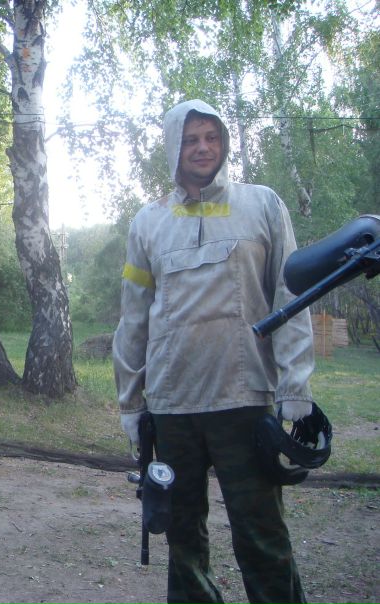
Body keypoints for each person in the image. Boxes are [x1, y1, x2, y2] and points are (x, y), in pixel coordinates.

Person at [112, 99, 315, 604]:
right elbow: (134, 317)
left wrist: (295, 386)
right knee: (182, 538)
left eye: (211, 137)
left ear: (223, 142)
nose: (203, 148)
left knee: (261, 534)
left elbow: (291, 297)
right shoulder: (148, 223)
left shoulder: (262, 205)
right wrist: (131, 403)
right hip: (172, 406)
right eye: (190, 139)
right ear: (172, 147)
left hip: (242, 399)